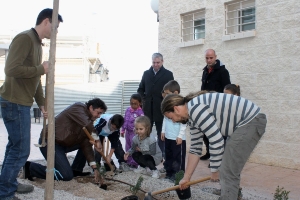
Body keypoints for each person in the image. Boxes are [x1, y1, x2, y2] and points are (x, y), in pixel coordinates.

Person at [0, 8, 63, 199]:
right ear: (46, 22)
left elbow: (36, 78)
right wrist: (40, 68)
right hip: (14, 102)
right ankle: (5, 193)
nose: (56, 32)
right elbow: (10, 69)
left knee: (14, 147)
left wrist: (42, 103)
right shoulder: (25, 38)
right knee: (21, 150)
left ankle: (8, 184)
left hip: (22, 103)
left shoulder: (38, 45)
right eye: (55, 27)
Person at [161, 91, 267, 200]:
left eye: (170, 117)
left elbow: (216, 140)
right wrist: (186, 178)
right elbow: (195, 149)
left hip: (251, 121)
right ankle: (233, 195)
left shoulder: (195, 109)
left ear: (176, 109)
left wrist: (215, 169)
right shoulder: (191, 116)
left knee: (227, 171)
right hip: (245, 124)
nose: (173, 121)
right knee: (229, 167)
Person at [24, 98, 107, 182]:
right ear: (91, 107)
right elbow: (86, 123)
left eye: (101, 113)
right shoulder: (78, 108)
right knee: (66, 175)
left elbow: (87, 146)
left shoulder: (88, 124)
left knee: (87, 142)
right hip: (50, 142)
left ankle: (76, 170)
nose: (99, 116)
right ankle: (31, 167)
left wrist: (95, 168)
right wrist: (97, 140)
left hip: (63, 144)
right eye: (98, 112)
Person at [137, 53, 174, 158]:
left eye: (158, 62)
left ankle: (161, 154)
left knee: (161, 132)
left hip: (161, 109)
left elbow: (171, 92)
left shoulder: (168, 74)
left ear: (162, 62)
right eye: (154, 62)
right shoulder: (146, 73)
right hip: (148, 109)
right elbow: (140, 89)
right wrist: (143, 99)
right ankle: (145, 152)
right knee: (146, 131)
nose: (156, 65)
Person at [200, 49, 231, 161]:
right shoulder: (205, 71)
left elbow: (227, 90)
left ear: (215, 57)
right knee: (205, 131)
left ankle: (218, 157)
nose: (209, 60)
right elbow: (202, 89)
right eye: (207, 58)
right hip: (206, 106)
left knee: (217, 134)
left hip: (218, 107)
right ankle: (209, 152)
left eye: (211, 58)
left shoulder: (223, 71)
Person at [161, 80, 187, 183]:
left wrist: (180, 136)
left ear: (175, 93)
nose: (165, 95)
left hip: (178, 139)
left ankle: (178, 176)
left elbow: (184, 122)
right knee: (169, 156)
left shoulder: (180, 107)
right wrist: (163, 131)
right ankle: (169, 173)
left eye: (167, 93)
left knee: (178, 159)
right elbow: (165, 119)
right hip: (168, 137)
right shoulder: (167, 106)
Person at [120, 93, 144, 168]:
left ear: (140, 103)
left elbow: (142, 124)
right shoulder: (127, 109)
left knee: (134, 147)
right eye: (131, 103)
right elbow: (125, 120)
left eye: (135, 104)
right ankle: (129, 161)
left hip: (135, 133)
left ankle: (135, 162)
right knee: (127, 146)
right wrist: (122, 130)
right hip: (128, 132)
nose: (133, 105)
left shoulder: (140, 113)